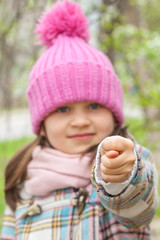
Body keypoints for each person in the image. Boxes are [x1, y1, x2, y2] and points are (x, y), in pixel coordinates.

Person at [1, 1, 159, 239]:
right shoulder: (24, 177)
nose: (80, 121)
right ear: (42, 125)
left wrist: (121, 178)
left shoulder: (127, 160)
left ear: (113, 113)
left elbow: (138, 212)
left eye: (94, 106)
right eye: (63, 109)